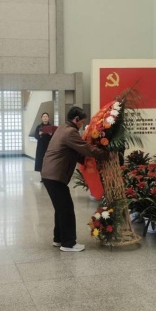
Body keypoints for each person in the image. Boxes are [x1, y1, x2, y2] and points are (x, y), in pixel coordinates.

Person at [41, 107, 108, 252]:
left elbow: (74, 152)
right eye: (82, 122)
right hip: (54, 175)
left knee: (60, 208)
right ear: (76, 119)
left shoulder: (62, 128)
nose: (82, 125)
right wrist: (106, 154)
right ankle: (68, 243)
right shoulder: (70, 132)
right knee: (66, 209)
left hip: (50, 174)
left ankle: (58, 239)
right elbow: (86, 149)